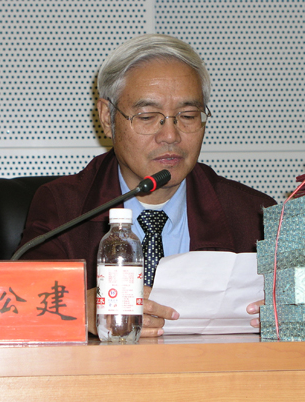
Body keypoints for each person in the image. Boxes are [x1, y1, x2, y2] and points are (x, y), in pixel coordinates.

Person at [18, 33, 276, 337]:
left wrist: (290, 310)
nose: (170, 135)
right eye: (147, 116)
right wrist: (76, 308)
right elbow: (17, 303)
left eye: (188, 115)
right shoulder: (63, 208)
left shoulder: (255, 215)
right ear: (107, 117)